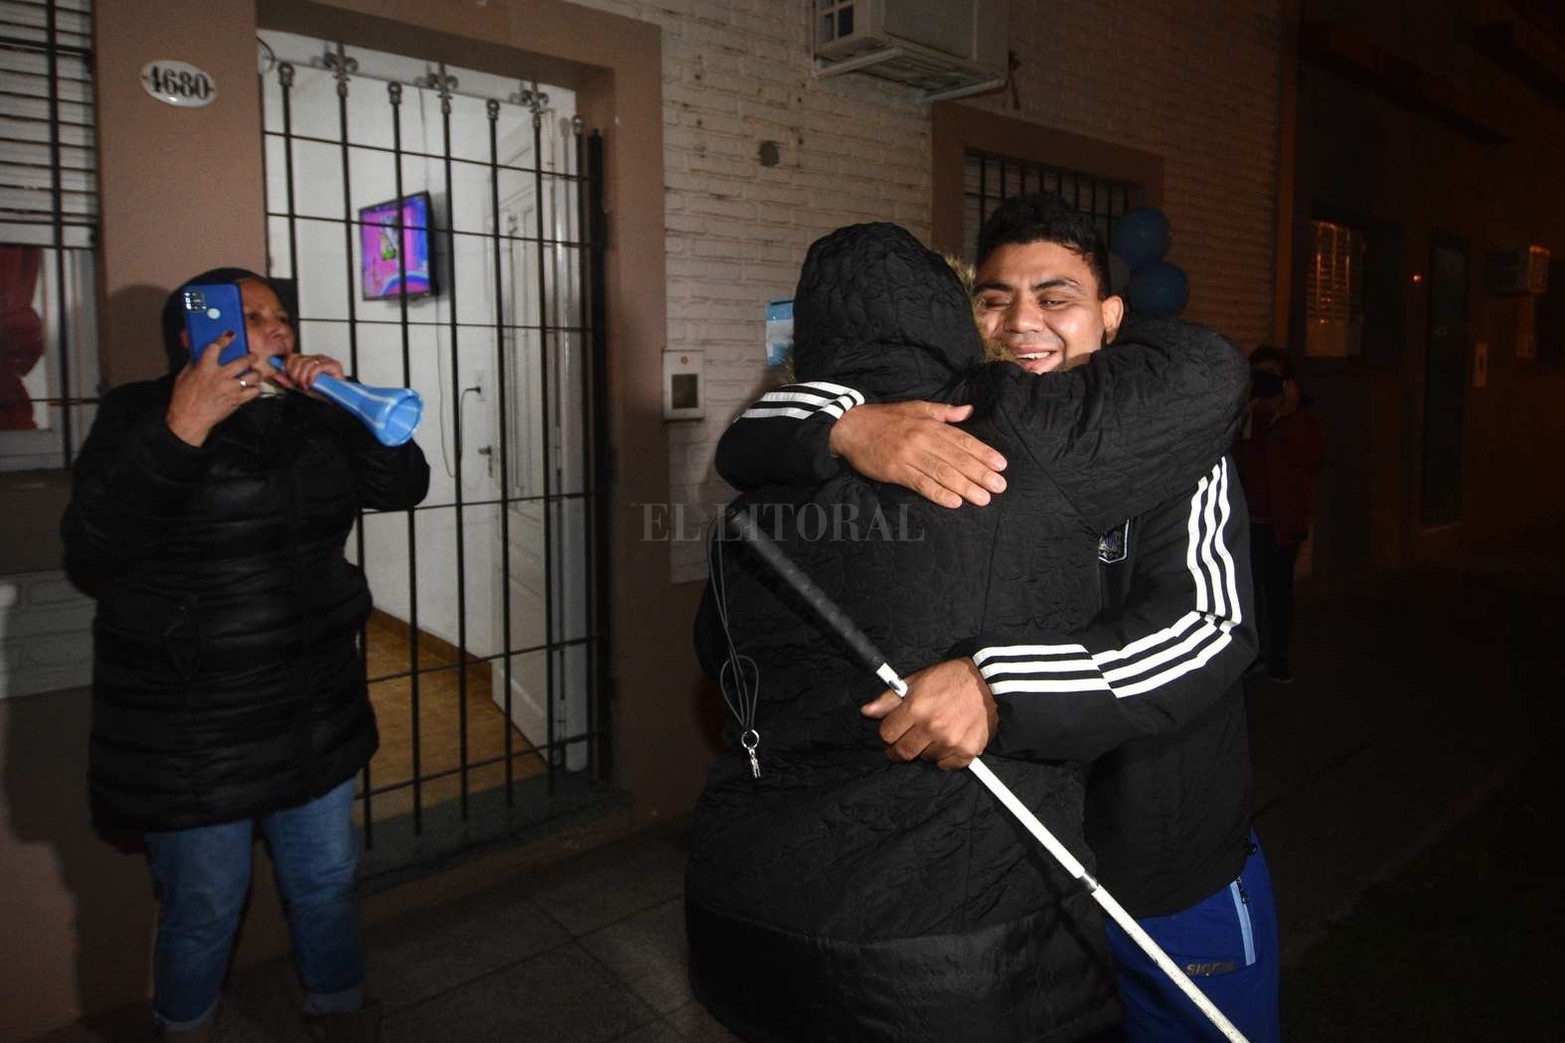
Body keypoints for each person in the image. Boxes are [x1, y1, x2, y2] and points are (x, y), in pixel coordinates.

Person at [716, 194, 1278, 1042]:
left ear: (1110, 315)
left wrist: (996, 682)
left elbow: (1208, 626)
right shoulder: (952, 425)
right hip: (1020, 876)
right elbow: (752, 441)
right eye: (993, 297)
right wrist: (842, 425)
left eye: (1055, 298)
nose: (1022, 322)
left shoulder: (1173, 443)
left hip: (1156, 858)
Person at [62, 267, 430, 1042]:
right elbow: (94, 546)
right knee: (205, 905)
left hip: (312, 703)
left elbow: (402, 486)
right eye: (254, 314)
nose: (280, 328)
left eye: (281, 315)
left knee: (327, 879)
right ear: (197, 333)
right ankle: (185, 1026)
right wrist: (181, 427)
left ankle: (339, 1008)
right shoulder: (138, 411)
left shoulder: (310, 413)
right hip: (191, 726)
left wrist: (352, 404)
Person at [1240, 345, 1325, 684]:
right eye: (1259, 377)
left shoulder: (1301, 418)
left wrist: (1286, 415)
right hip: (1248, 521)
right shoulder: (1249, 415)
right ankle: (1254, 653)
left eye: (1273, 378)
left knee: (1278, 591)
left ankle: (1279, 657)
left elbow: (1311, 458)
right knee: (1250, 592)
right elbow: (1236, 460)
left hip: (1283, 522)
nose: (1266, 385)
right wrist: (1246, 414)